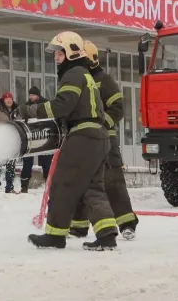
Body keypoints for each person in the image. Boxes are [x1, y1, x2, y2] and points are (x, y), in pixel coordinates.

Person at [18, 31, 118, 251]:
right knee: (93, 188)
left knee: (62, 184)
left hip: (82, 137)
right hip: (99, 138)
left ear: (71, 53)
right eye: (54, 53)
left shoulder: (73, 74)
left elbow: (63, 105)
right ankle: (107, 234)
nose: (55, 57)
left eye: (59, 53)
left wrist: (31, 109)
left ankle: (54, 235)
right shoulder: (86, 75)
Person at [69, 40, 137, 240]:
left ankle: (127, 223)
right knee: (81, 182)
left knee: (113, 182)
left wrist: (100, 125)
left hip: (106, 141)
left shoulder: (104, 81)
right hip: (84, 141)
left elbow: (117, 109)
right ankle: (78, 226)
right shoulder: (80, 80)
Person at [19, 86, 51, 193]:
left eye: (33, 95)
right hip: (31, 138)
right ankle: (24, 186)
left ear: (38, 95)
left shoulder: (46, 104)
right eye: (30, 95)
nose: (31, 97)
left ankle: (49, 186)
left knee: (47, 163)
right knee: (27, 162)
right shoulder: (26, 106)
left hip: (44, 137)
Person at [0, 92, 18, 193]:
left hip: (12, 141)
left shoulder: (16, 111)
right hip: (0, 141)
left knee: (11, 164)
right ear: (3, 100)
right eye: (7, 99)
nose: (9, 100)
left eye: (10, 98)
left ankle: (9, 187)